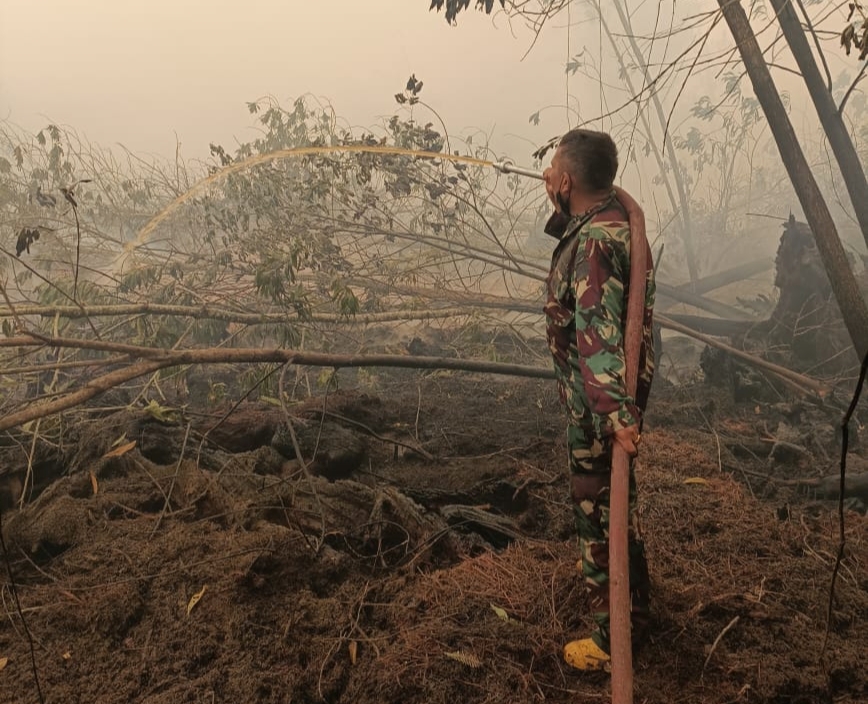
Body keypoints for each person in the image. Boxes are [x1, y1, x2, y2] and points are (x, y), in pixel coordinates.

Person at [541, 128, 655, 672]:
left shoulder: (594, 246)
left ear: (567, 180)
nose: (546, 177)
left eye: (552, 169)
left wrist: (612, 416)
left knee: (599, 514)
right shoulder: (609, 221)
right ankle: (639, 609)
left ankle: (612, 640)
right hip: (604, 403)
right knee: (617, 508)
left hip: (598, 411)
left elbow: (599, 332)